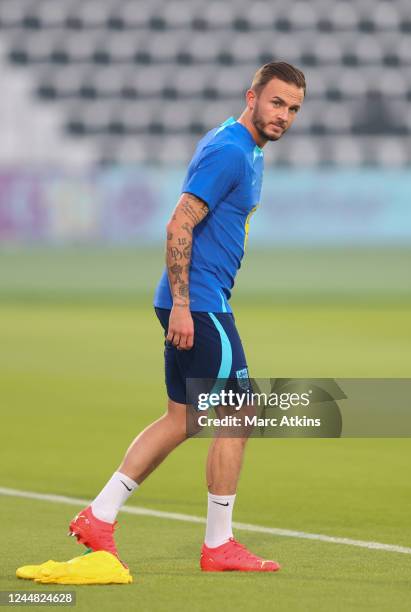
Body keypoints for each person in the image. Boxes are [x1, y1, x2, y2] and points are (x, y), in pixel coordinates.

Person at [69, 61, 306, 572]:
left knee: (183, 418)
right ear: (252, 96)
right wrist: (182, 305)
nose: (283, 115)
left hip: (193, 298)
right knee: (239, 415)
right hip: (199, 303)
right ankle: (218, 545)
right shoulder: (231, 151)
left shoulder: (241, 145)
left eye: (292, 108)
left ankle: (99, 515)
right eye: (276, 102)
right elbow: (179, 222)